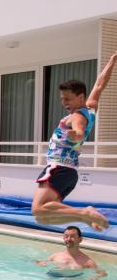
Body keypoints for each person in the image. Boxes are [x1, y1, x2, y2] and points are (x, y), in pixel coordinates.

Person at [32, 51, 117, 232]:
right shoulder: (90, 108)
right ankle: (85, 217)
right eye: (62, 98)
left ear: (80, 97)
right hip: (69, 173)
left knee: (38, 210)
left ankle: (85, 213)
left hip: (59, 168)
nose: (64, 102)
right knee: (44, 216)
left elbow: (78, 131)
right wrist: (112, 61)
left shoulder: (78, 116)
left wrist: (75, 136)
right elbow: (100, 84)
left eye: (67, 98)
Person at [36, 226, 106, 280]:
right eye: (66, 236)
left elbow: (103, 273)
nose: (68, 239)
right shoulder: (55, 256)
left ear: (80, 239)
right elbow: (40, 262)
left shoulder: (87, 262)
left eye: (72, 236)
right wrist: (41, 263)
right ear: (63, 238)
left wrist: (96, 277)